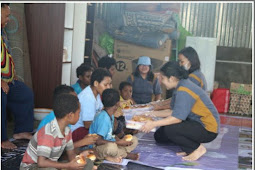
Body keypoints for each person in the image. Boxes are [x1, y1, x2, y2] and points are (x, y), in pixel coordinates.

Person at [141, 61, 220, 161]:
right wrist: (150, 113)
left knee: (170, 129)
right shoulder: (180, 86)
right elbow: (173, 111)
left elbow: (177, 118)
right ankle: (190, 147)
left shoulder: (184, 90)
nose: (161, 81)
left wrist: (153, 123)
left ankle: (197, 148)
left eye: (163, 78)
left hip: (208, 129)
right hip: (196, 123)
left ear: (172, 78)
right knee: (160, 135)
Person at [20, 94, 94, 170]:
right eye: (79, 113)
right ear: (70, 115)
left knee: (87, 163)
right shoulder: (48, 133)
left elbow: (71, 153)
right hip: (32, 167)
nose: (79, 116)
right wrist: (68, 166)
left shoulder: (67, 131)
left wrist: (77, 160)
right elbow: (41, 163)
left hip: (51, 163)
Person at [1, 3, 34, 149]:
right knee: (1, 94)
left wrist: (11, 75)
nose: (8, 19)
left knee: (25, 94)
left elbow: (6, 55)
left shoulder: (2, 32)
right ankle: (2, 139)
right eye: (6, 15)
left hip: (7, 80)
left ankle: (21, 131)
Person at [37, 85, 98, 152]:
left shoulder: (66, 121)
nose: (77, 102)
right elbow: (58, 150)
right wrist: (82, 142)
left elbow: (65, 146)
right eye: (74, 99)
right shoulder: (54, 121)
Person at [89, 89, 139, 163]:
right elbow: (98, 141)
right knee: (111, 147)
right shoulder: (103, 118)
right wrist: (118, 143)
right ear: (117, 103)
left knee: (134, 140)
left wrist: (120, 140)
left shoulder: (110, 115)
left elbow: (110, 135)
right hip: (97, 148)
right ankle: (126, 155)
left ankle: (116, 154)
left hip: (110, 143)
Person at [152, 47, 207, 111]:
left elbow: (181, 101)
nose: (180, 64)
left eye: (182, 61)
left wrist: (158, 106)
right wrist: (160, 104)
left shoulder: (193, 78)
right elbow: (175, 99)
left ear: (191, 61)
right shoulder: (193, 75)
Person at [71, 68, 112, 143]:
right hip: (78, 131)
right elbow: (87, 124)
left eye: (110, 84)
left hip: (89, 127)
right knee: (104, 134)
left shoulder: (98, 94)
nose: (108, 87)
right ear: (96, 83)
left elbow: (103, 111)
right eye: (105, 85)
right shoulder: (87, 97)